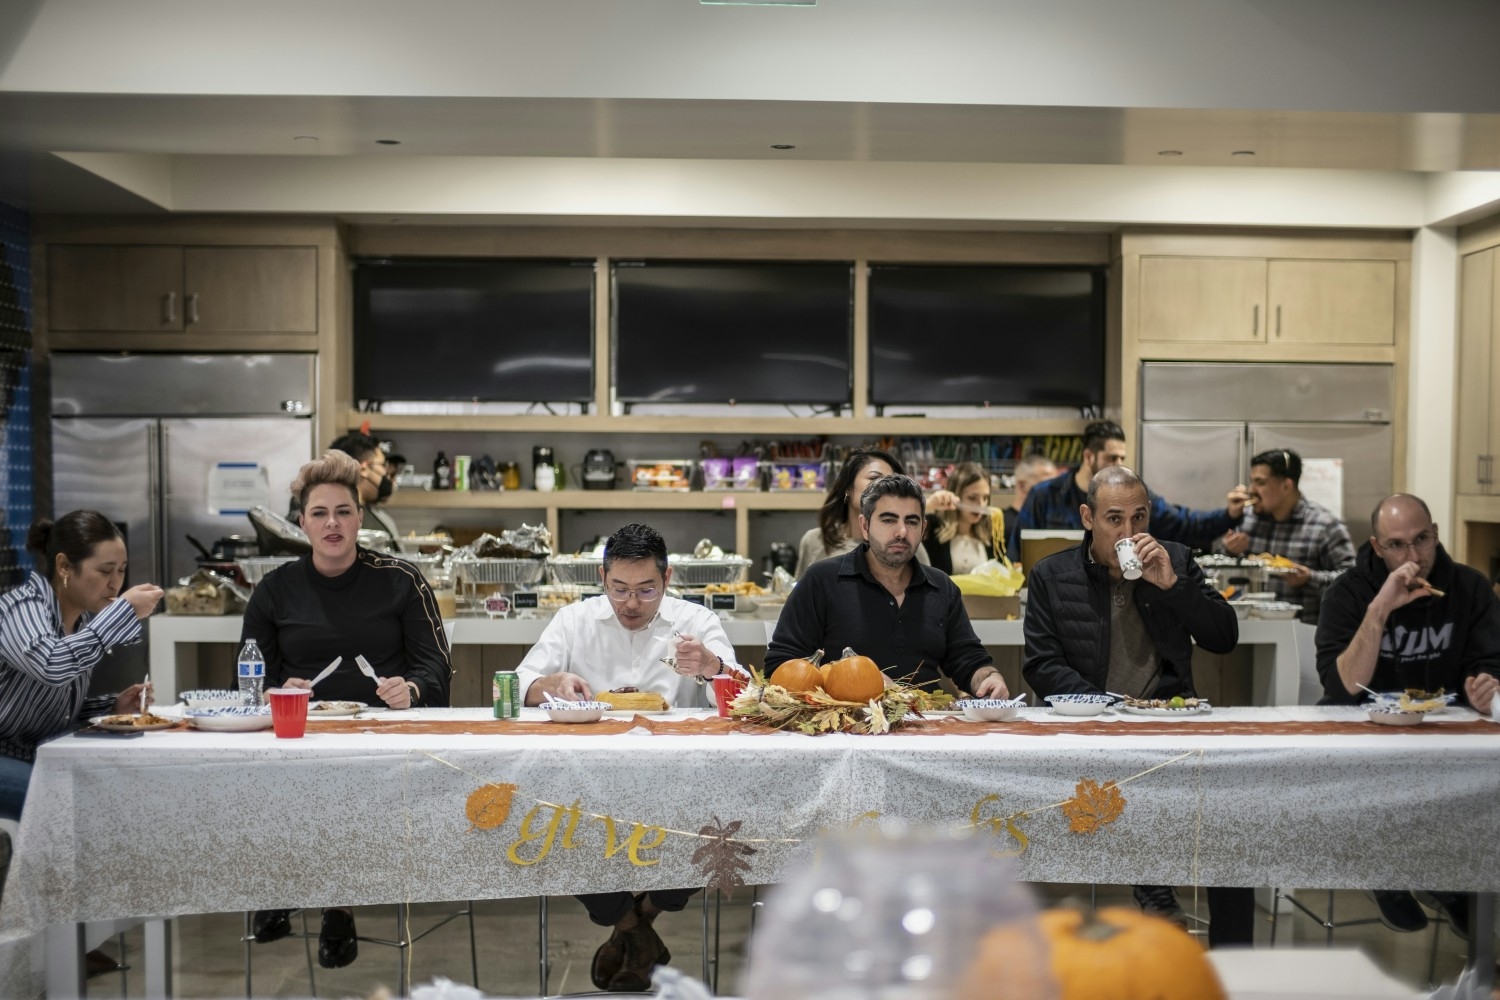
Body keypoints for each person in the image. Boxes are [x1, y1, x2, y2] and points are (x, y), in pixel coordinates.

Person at [1022, 466, 1252, 945]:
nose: (1129, 533)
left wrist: (1175, 587)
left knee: (1232, 823)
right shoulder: (1052, 574)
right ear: (1088, 518)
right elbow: (1041, 665)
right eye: (1114, 520)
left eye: (1139, 518)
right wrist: (1108, 705)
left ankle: (1234, 964)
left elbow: (1224, 637)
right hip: (1089, 733)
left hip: (1166, 728)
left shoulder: (1177, 562)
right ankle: (1152, 884)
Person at [245, 451, 452, 967]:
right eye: (319, 513)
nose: (332, 523)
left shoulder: (401, 580)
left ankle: (327, 898)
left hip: (381, 741)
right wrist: (278, 689)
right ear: (301, 523)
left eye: (343, 511)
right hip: (300, 733)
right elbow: (247, 680)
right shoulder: (275, 591)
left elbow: (437, 669)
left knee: (341, 779)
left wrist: (412, 689)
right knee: (273, 773)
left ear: (361, 518)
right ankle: (307, 887)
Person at [515, 522, 736, 991]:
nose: (631, 604)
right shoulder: (574, 620)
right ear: (602, 578)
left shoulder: (695, 622)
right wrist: (547, 685)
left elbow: (741, 695)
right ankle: (638, 934)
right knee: (545, 822)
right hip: (587, 779)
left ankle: (635, 925)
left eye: (645, 590)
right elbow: (517, 683)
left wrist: (713, 667)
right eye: (619, 590)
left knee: (721, 821)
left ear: (668, 579)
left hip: (680, 779)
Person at [1315, 493, 1500, 940]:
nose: (1413, 558)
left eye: (1422, 541)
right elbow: (1344, 687)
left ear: (1436, 535)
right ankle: (1388, 870)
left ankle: (1451, 881)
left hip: (1444, 728)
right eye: (1397, 545)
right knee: (1378, 777)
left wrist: (1486, 684)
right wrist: (1380, 608)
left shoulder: (1470, 588)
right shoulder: (1348, 592)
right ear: (1377, 547)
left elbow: (1491, 660)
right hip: (1364, 729)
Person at [0, 512, 161, 977]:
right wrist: (121, 614)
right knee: (62, 802)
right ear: (66, 566)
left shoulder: (77, 620)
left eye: (122, 571)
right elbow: (51, 665)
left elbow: (53, 703)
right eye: (104, 572)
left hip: (27, 751)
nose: (115, 583)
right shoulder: (22, 609)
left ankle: (72, 936)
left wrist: (114, 703)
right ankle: (51, 944)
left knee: (113, 796)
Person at [769, 474, 1011, 698]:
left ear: (923, 529)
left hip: (927, 726)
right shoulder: (822, 581)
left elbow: (967, 659)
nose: (901, 531)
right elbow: (780, 665)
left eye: (912, 521)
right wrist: (860, 681)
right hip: (845, 730)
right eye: (888, 520)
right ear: (865, 526)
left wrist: (989, 677)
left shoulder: (942, 587)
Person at [1011, 420, 1249, 558]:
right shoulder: (1044, 495)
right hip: (1057, 596)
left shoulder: (1133, 494)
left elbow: (1183, 523)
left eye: (1122, 458)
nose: (1119, 466)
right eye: (1111, 458)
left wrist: (1228, 515)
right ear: (1088, 456)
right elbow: (1017, 554)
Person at [1216, 449, 1354, 624]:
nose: (1251, 490)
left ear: (1286, 486)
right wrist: (1229, 551)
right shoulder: (1246, 520)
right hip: (1248, 634)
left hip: (1303, 635)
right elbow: (1214, 570)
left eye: (1260, 483)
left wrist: (1310, 578)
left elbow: (1353, 581)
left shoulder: (1324, 526)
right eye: (1251, 482)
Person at [795, 448, 929, 577]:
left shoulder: (905, 544)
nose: (884, 490)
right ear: (848, 487)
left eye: (891, 483)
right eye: (874, 479)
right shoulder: (815, 541)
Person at [288, 431, 401, 544]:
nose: (386, 472)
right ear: (364, 469)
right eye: (382, 465)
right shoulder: (305, 512)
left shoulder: (377, 515)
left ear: (359, 518)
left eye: (344, 512)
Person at [924, 461, 1006, 573]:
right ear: (956, 496)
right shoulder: (933, 527)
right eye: (972, 498)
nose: (981, 504)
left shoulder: (991, 534)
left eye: (985, 498)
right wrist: (928, 505)